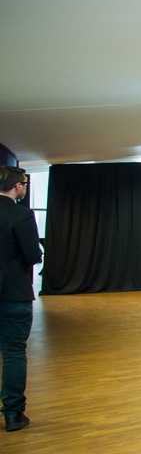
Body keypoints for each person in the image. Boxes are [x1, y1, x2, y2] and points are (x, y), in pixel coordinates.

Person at [1, 167, 41, 432]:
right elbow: (32, 255)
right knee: (14, 353)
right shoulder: (22, 214)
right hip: (13, 293)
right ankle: (13, 415)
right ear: (17, 186)